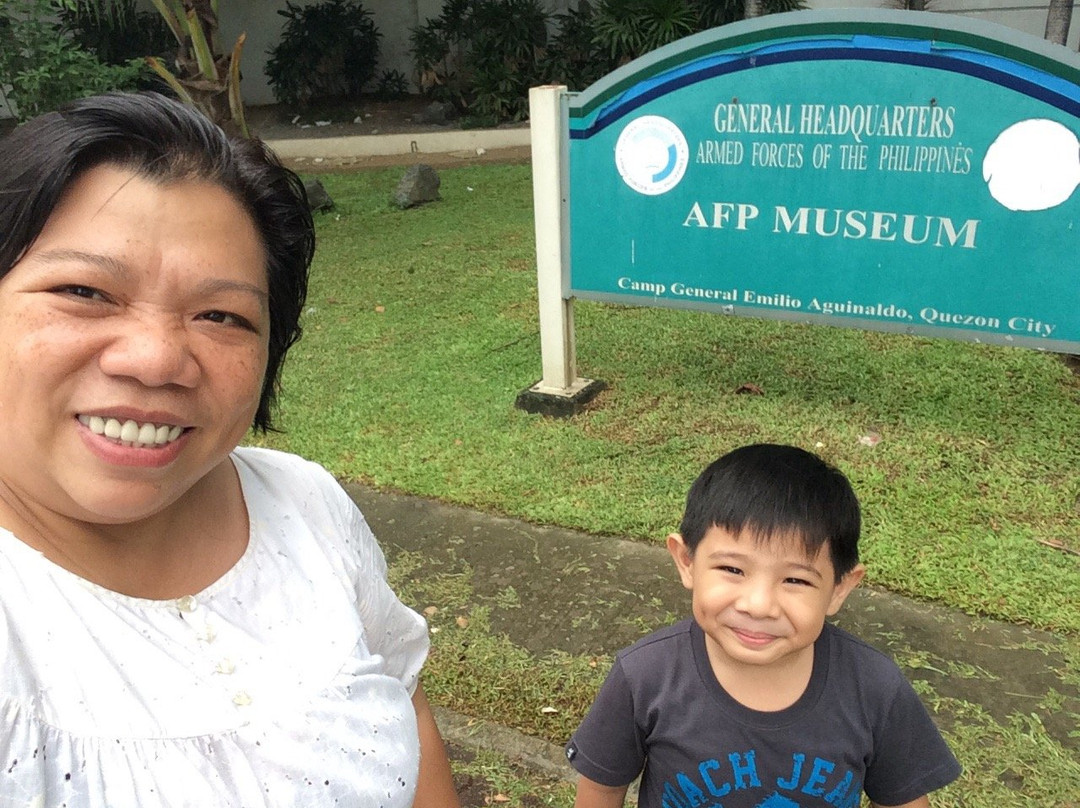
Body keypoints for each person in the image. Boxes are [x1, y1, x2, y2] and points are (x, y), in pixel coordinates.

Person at [0, 92, 459, 807]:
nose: (155, 360)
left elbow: (406, 702)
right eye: (84, 290)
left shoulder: (304, 503)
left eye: (221, 315)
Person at [566, 444, 961, 808]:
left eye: (795, 580)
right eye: (732, 569)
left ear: (840, 588)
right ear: (686, 561)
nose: (758, 605)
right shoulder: (644, 676)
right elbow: (602, 787)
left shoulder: (875, 688)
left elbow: (902, 800)